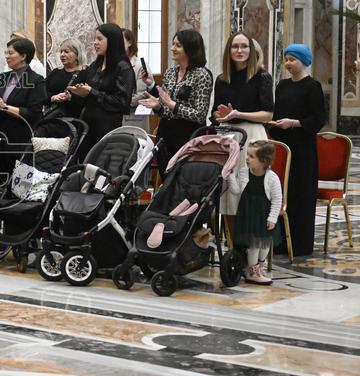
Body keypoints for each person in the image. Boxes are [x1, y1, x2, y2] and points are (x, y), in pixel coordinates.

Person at [270, 44, 326, 259]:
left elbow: (317, 119)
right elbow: (277, 112)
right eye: (286, 59)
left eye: (292, 59)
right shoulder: (282, 85)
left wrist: (294, 123)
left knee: (300, 196)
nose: (288, 63)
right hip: (283, 148)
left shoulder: (313, 86)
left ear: (303, 61)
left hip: (303, 151)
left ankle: (301, 245)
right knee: (281, 193)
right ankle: (280, 243)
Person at [211, 32, 274, 219]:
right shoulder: (222, 79)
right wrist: (220, 115)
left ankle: (251, 236)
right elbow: (214, 113)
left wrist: (239, 114)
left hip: (253, 134)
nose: (240, 50)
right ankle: (232, 237)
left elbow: (268, 114)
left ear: (251, 50)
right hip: (229, 134)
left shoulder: (262, 77)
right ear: (229, 51)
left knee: (251, 188)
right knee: (229, 192)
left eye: (244, 46)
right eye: (235, 46)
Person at [55, 24, 135, 159]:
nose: (95, 42)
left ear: (112, 41)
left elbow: (122, 103)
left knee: (99, 165)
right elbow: (88, 96)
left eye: (99, 39)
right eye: (95, 38)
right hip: (87, 126)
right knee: (83, 163)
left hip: (106, 128)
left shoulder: (123, 68)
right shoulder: (95, 65)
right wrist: (74, 95)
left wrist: (92, 92)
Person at [137, 30, 213, 166]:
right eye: (173, 44)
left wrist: (172, 105)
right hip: (165, 135)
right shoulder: (170, 72)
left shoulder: (202, 75)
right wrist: (157, 104)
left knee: (183, 176)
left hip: (188, 137)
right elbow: (165, 109)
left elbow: (200, 115)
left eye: (178, 45)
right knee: (165, 174)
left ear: (190, 48)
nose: (172, 48)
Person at [0, 37, 47, 175]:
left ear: (23, 56)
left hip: (21, 139)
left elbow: (34, 114)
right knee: (0, 178)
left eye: (11, 53)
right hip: (1, 137)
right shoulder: (3, 77)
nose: (7, 56)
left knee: (20, 180)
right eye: (6, 53)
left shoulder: (36, 80)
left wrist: (4, 107)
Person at [228, 140, 282, 285]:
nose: (247, 158)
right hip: (248, 213)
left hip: (263, 214)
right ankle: (252, 271)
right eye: (247, 155)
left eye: (251, 156)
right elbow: (236, 191)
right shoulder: (244, 172)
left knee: (265, 243)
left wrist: (272, 218)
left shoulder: (272, 178)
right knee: (253, 244)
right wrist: (230, 176)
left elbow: (277, 199)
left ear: (263, 160)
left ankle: (260, 267)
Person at [44, 38, 86, 118]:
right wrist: (53, 98)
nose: (62, 55)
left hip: (75, 120)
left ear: (77, 54)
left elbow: (89, 99)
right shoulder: (55, 72)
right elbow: (41, 93)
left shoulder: (86, 73)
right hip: (52, 118)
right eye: (61, 51)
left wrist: (70, 97)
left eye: (66, 51)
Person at [123, 28, 148, 109]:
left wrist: (118, 103)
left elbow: (142, 95)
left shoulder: (139, 65)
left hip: (133, 113)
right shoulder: (115, 64)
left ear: (130, 43)